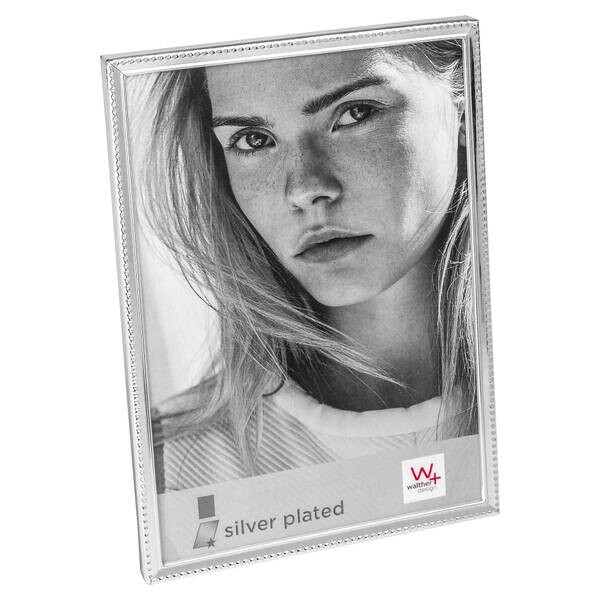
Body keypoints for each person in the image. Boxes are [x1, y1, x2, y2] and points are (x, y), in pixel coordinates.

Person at [140, 40, 477, 492]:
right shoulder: (168, 473)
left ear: (464, 104)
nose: (305, 188)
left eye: (355, 113)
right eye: (254, 140)